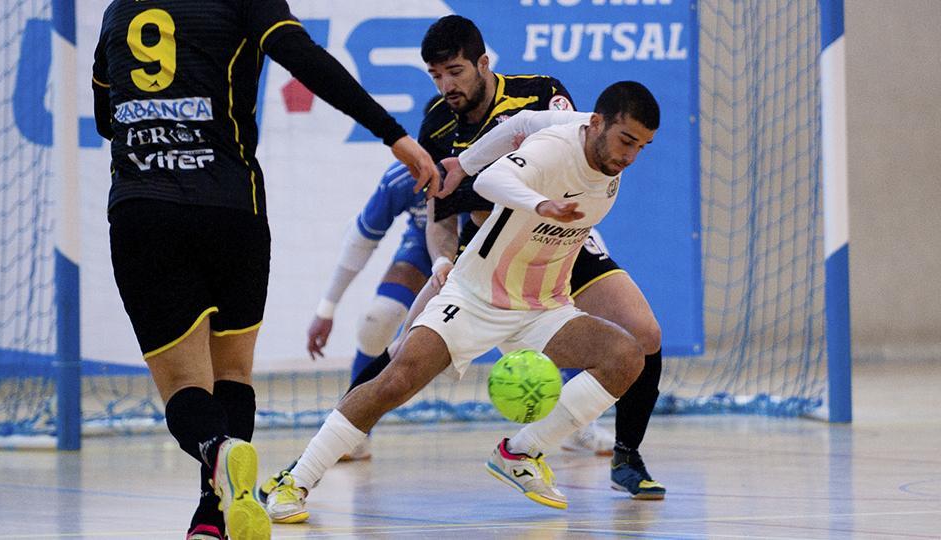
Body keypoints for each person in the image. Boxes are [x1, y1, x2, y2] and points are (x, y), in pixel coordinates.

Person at [276, 14, 666, 497]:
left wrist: (537, 201)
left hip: (559, 251)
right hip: (488, 259)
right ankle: (308, 465)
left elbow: (551, 134)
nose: (447, 85)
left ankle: (607, 452)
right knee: (399, 359)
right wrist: (441, 262)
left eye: (455, 72)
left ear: (483, 63)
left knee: (640, 339)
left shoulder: (545, 99)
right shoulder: (438, 124)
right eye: (436, 76)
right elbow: (442, 209)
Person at [91, 1, 438, 539]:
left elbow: (104, 119)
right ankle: (214, 517)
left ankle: (219, 454)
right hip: (233, 209)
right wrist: (394, 134)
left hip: (144, 211)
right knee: (233, 374)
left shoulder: (118, 10)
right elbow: (303, 58)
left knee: (185, 386)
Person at [305, 160, 432, 460]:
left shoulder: (493, 159)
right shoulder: (406, 174)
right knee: (377, 320)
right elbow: (361, 239)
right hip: (426, 249)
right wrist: (327, 308)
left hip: (492, 252)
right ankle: (354, 433)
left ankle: (564, 421)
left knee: (537, 327)